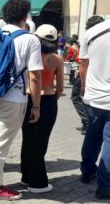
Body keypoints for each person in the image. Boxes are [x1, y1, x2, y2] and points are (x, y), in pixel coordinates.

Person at [0, 0, 42, 200]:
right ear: (25, 17)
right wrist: (37, 106)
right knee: (1, 142)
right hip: (13, 97)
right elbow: (35, 76)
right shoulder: (30, 39)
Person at [20, 24, 64, 193]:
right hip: (48, 99)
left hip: (28, 98)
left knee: (28, 139)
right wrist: (52, 100)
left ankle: (26, 177)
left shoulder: (29, 55)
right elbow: (60, 87)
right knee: (41, 142)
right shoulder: (56, 59)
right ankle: (37, 182)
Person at [79, 18, 110, 200]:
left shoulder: (92, 31)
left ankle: (87, 172)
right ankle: (105, 186)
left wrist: (84, 87)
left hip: (93, 96)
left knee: (93, 135)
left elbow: (83, 66)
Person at [72, 16, 105, 135]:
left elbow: (84, 62)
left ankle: (87, 122)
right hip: (95, 77)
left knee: (77, 97)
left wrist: (83, 85)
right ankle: (86, 122)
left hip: (86, 75)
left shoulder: (89, 36)